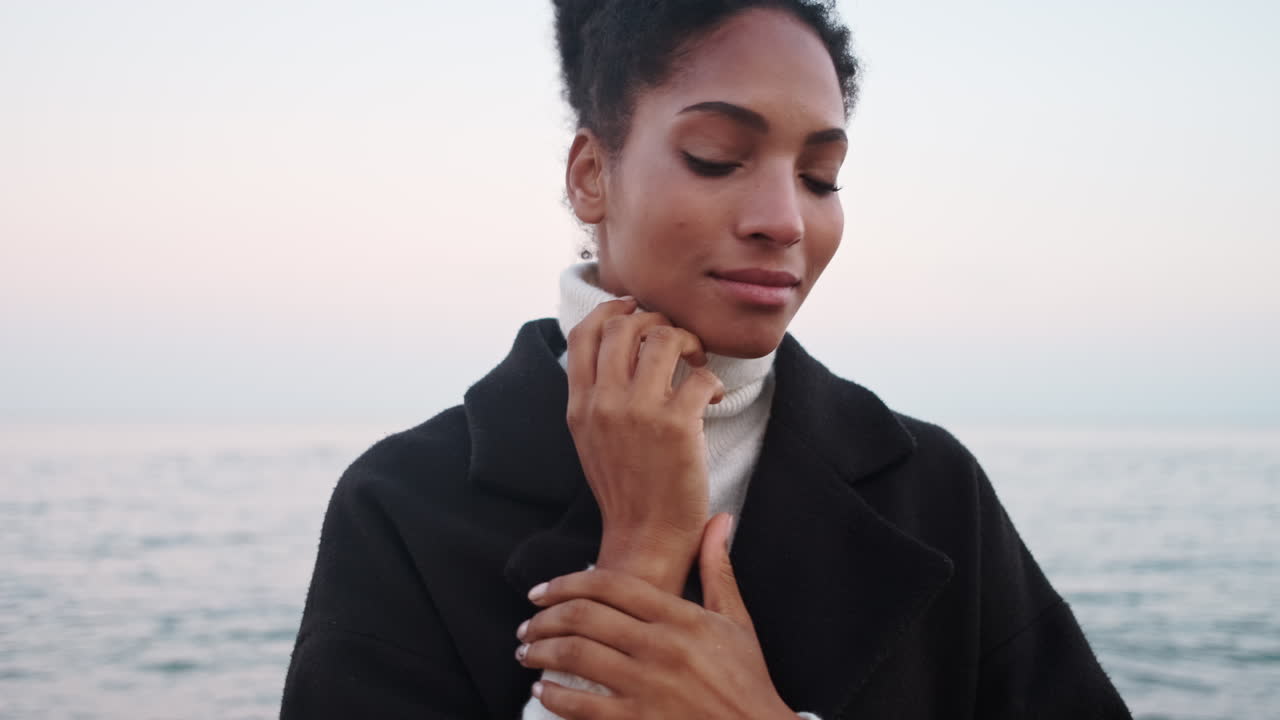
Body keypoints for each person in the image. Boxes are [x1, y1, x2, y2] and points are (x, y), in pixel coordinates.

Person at [280, 1, 1132, 718]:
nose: (785, 219)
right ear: (589, 175)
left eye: (822, 176)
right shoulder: (402, 501)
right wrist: (643, 553)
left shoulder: (934, 489)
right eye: (717, 156)